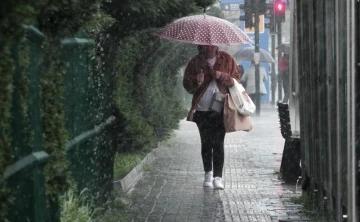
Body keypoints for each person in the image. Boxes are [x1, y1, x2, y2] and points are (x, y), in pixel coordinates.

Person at [183, 45, 240, 190]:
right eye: (207, 46)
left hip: (221, 108)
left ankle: (218, 177)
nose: (210, 48)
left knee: (218, 143)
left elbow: (236, 80)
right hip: (202, 110)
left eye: (212, 45)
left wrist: (222, 76)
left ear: (216, 46)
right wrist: (196, 80)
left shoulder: (227, 59)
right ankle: (208, 174)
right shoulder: (195, 61)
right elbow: (188, 86)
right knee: (206, 142)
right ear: (202, 46)